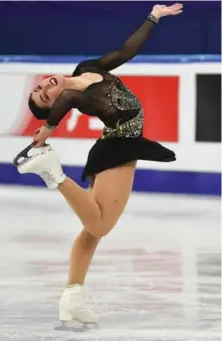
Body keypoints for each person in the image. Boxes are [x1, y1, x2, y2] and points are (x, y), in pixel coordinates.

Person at [16, 3, 183, 324]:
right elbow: (66, 100)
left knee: (92, 231)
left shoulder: (86, 68)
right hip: (117, 149)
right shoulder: (80, 97)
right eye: (42, 96)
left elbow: (125, 51)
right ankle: (54, 175)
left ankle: (72, 298)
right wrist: (49, 127)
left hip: (114, 145)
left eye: (38, 87)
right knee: (101, 225)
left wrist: (154, 17)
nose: (43, 87)